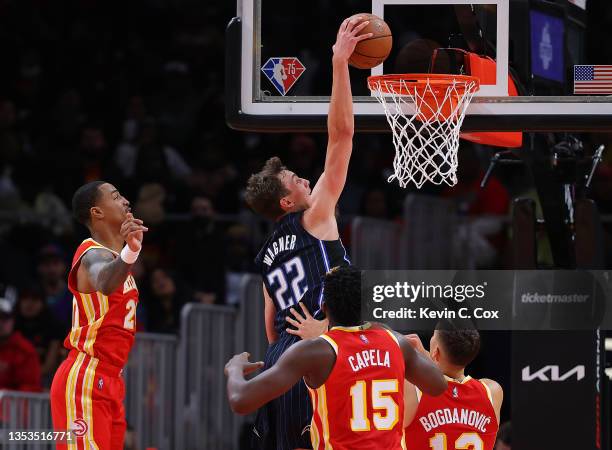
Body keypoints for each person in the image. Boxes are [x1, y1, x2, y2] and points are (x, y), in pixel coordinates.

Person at [243, 16, 372, 450]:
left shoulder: (264, 255)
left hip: (282, 359)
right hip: (317, 351)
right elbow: (342, 135)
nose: (306, 181)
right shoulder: (315, 215)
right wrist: (340, 64)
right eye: (298, 180)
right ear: (287, 203)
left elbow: (270, 329)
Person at [225, 266, 448, 450]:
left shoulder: (315, 352)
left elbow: (240, 399)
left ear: (324, 308)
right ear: (368, 306)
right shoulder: (396, 343)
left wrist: (234, 368)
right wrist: (418, 352)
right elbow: (438, 385)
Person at [50, 181, 147, 449]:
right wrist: (132, 251)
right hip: (85, 376)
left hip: (112, 380)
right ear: (97, 212)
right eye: (116, 197)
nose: (126, 200)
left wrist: (128, 253)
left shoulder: (117, 260)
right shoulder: (90, 254)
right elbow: (104, 281)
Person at [403, 325, 503, 450]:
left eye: (434, 335)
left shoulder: (414, 389)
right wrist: (428, 358)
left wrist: (417, 357)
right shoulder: (492, 391)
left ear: (436, 352)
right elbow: (450, 386)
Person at [0, 297, 42, 392]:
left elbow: (30, 387)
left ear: (13, 321)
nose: (0, 323)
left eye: (5, 318)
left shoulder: (24, 350)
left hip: (11, 405)